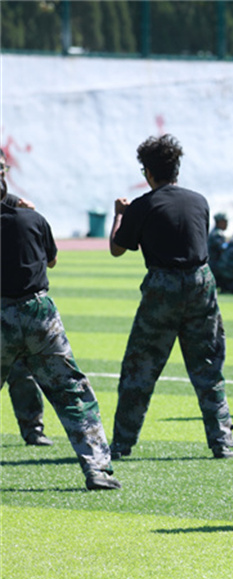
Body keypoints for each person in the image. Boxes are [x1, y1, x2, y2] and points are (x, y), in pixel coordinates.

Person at [108, 134, 233, 460]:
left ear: (148, 172)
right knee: (207, 365)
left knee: (140, 367)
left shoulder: (143, 205)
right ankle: (221, 441)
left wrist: (120, 214)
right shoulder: (199, 201)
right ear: (176, 168)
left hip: (163, 286)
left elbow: (117, 248)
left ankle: (122, 443)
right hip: (201, 283)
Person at [0, 175, 121, 490]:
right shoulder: (33, 219)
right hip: (39, 313)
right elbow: (51, 260)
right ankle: (97, 469)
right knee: (72, 392)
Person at [0, 151, 53, 447]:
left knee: (22, 369)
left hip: (11, 302)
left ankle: (33, 428)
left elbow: (43, 254)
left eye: (2, 167)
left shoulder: (14, 205)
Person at [208, 212, 228, 282]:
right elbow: (223, 247)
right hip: (215, 265)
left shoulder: (214, 232)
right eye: (225, 222)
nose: (226, 224)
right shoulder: (217, 234)